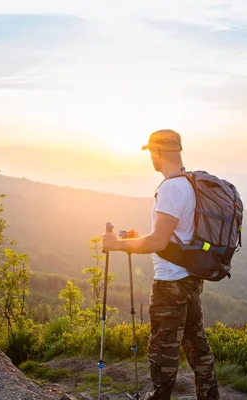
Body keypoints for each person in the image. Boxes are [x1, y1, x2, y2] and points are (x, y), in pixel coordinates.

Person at [101, 129, 220, 400]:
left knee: (162, 352)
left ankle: (159, 397)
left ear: (157, 153)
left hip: (170, 284)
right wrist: (136, 238)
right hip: (190, 279)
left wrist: (117, 245)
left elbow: (157, 242)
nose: (151, 159)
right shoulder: (190, 183)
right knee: (196, 346)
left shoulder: (170, 188)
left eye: (151, 153)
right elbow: (175, 237)